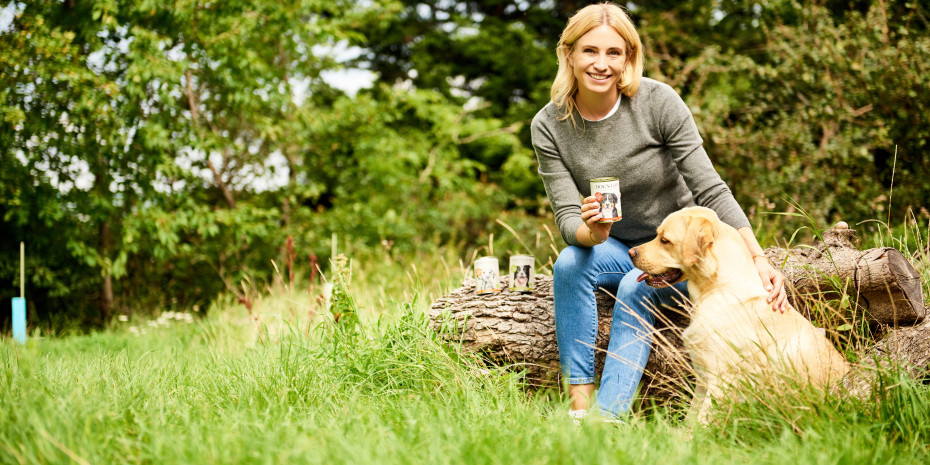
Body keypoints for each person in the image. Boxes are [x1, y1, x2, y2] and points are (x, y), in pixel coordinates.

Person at [530, 2, 788, 421]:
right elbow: (566, 220)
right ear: (569, 54)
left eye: (614, 52)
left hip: (683, 252)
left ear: (628, 57)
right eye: (590, 51)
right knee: (570, 263)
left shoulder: (657, 102)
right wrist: (594, 233)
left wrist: (758, 256)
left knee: (636, 286)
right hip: (617, 246)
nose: (601, 63)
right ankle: (579, 408)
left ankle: (608, 419)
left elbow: (709, 187)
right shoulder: (548, 125)